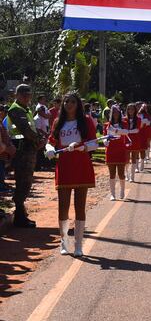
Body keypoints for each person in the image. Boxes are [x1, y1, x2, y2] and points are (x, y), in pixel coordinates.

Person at [44, 92, 98, 256]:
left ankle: (78, 245)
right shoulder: (57, 122)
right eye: (66, 101)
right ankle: (64, 241)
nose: (69, 104)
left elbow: (94, 143)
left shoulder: (86, 121)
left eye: (73, 101)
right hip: (65, 167)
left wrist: (82, 147)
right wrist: (50, 149)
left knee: (80, 206)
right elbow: (50, 141)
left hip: (82, 166)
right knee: (63, 207)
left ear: (78, 104)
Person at [8, 84, 43, 227]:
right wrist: (39, 140)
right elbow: (26, 131)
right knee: (23, 182)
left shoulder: (25, 109)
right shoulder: (16, 110)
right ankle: (19, 216)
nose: (26, 97)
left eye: (28, 94)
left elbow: (31, 129)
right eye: (23, 94)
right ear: (17, 95)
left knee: (25, 182)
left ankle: (20, 214)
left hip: (28, 150)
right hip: (22, 151)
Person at [104, 105, 130, 200]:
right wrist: (105, 142)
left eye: (117, 112)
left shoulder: (124, 123)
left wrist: (114, 130)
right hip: (110, 151)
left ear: (119, 113)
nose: (115, 114)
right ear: (111, 113)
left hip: (120, 150)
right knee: (112, 174)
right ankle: (112, 194)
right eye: (113, 112)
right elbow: (104, 136)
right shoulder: (107, 125)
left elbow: (126, 132)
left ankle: (122, 191)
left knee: (121, 173)